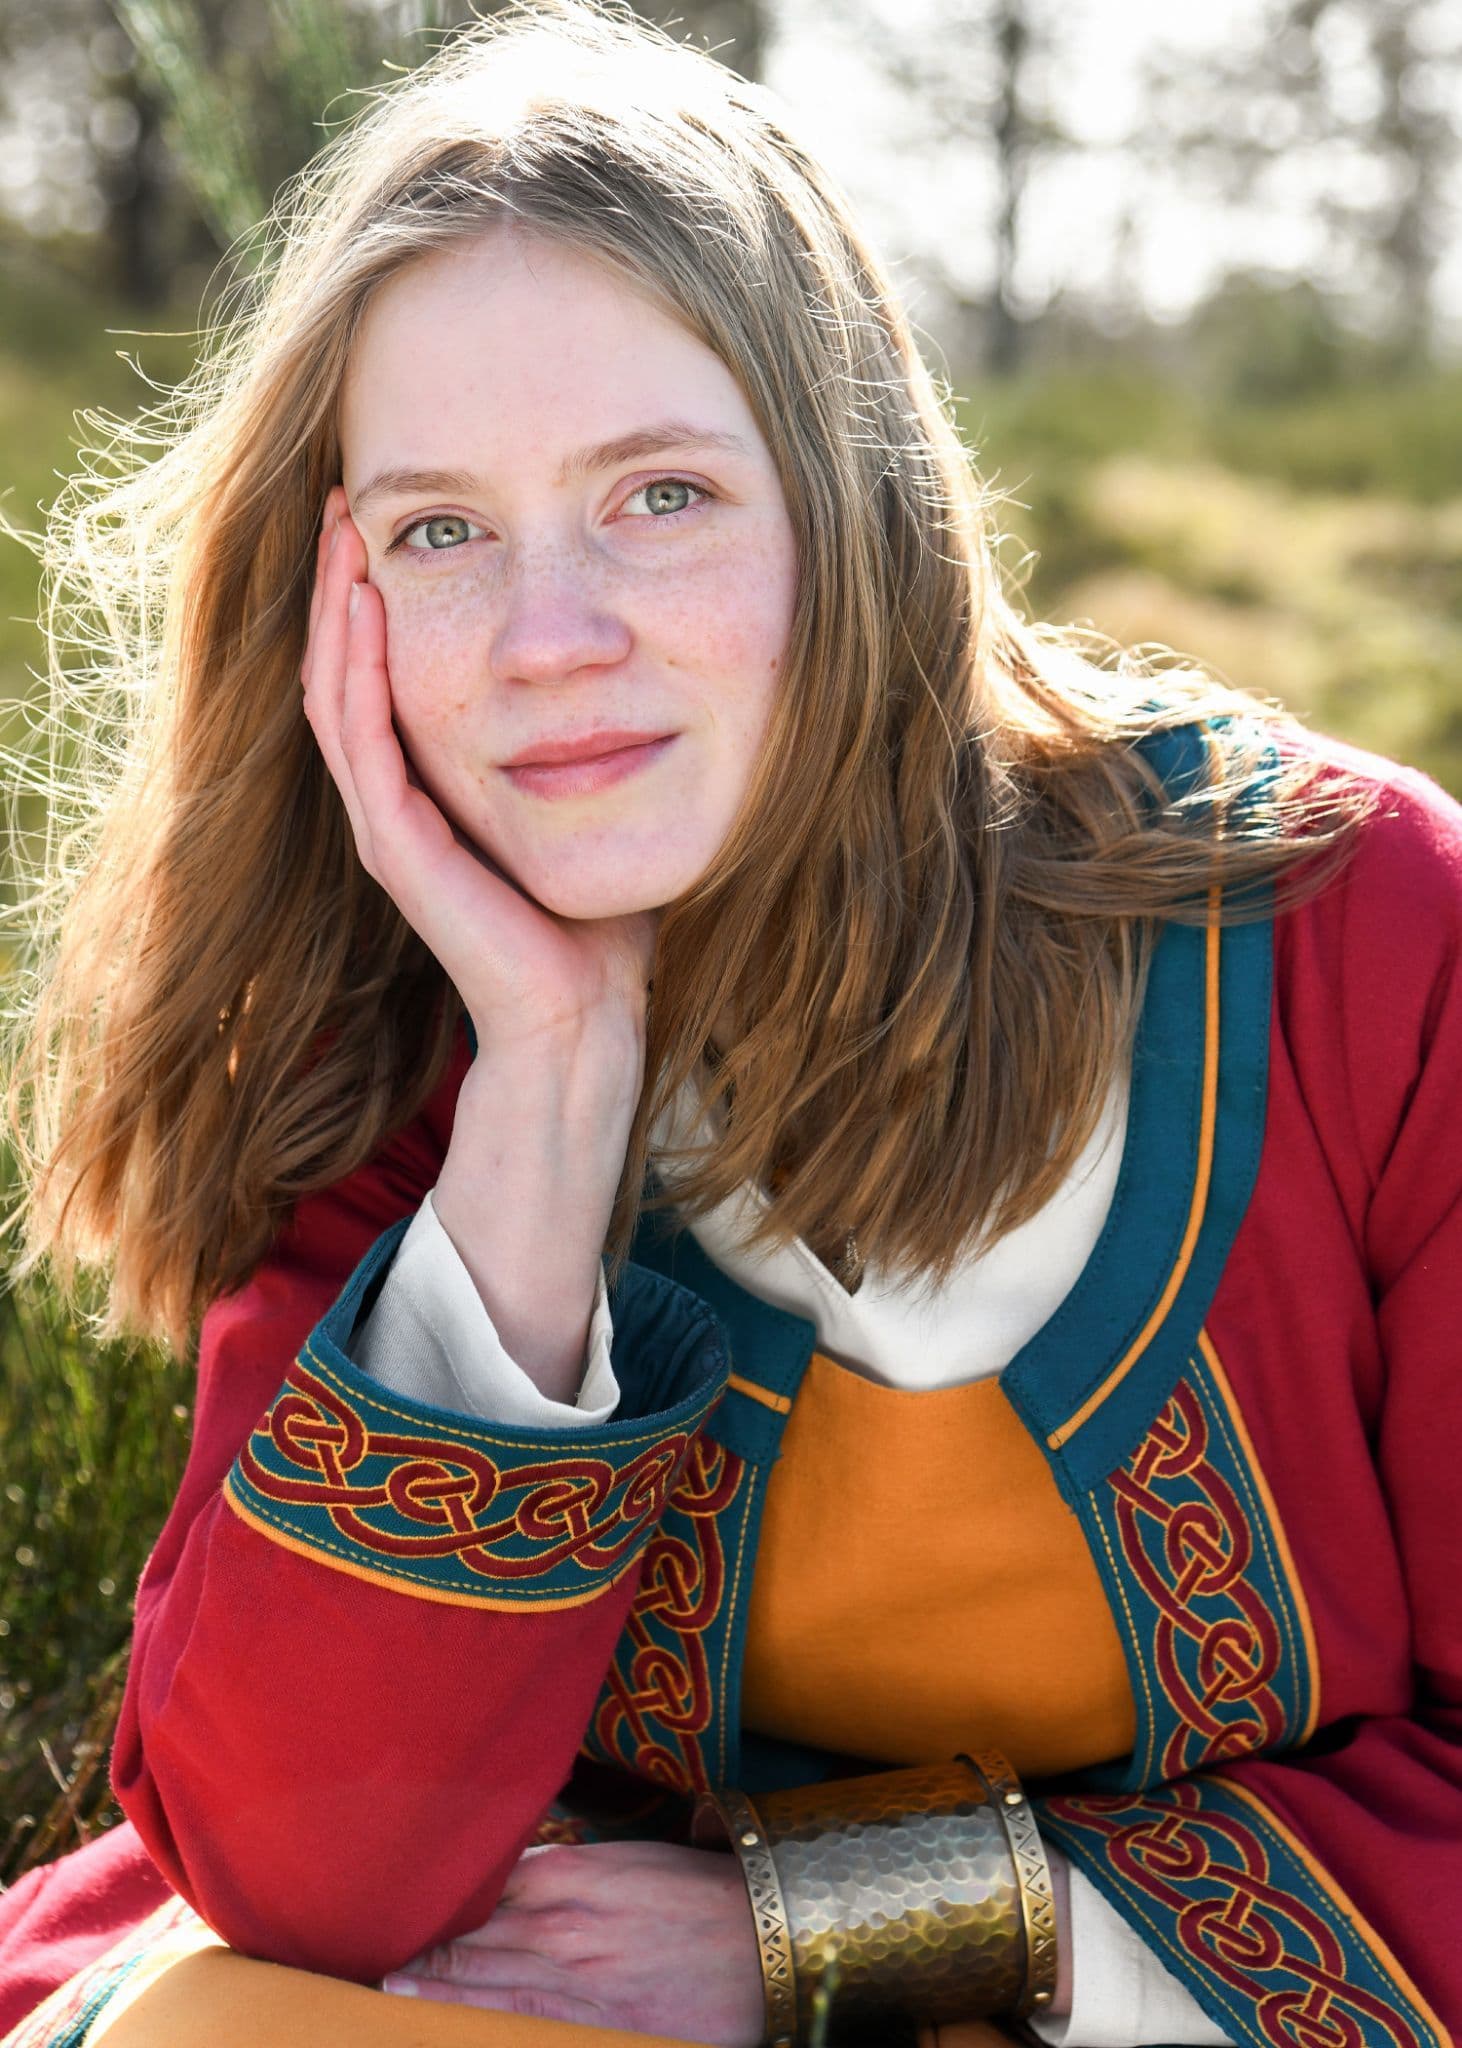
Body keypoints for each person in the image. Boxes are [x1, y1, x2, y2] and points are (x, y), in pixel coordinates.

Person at [1, 4, 1459, 2045]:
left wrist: (832, 1926)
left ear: (853, 500)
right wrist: (547, 1084)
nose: (545, 640)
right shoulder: (400, 1023)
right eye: (438, 530)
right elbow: (305, 1869)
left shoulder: (1356, 941)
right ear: (339, 607)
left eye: (660, 495)